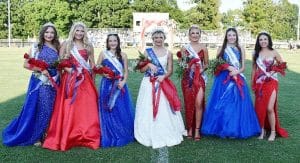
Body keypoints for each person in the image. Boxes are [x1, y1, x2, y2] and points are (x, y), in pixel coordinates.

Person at [42, 22, 100, 151]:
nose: (79, 33)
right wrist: (71, 71)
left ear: (85, 32)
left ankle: (86, 134)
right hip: (70, 79)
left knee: (86, 107)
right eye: (77, 31)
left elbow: (92, 64)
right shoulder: (66, 44)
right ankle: (69, 134)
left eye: (82, 31)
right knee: (70, 106)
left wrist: (93, 80)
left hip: (85, 80)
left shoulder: (88, 45)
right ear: (73, 31)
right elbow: (60, 62)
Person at [2, 23, 60, 146]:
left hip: (54, 82)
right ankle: (37, 137)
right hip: (40, 81)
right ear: (42, 33)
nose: (49, 35)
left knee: (51, 108)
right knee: (40, 107)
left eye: (52, 32)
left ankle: (46, 133)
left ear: (54, 35)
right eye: (47, 32)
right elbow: (26, 64)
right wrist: (41, 70)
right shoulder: (36, 47)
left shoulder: (57, 47)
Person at [201, 28, 260, 139]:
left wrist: (236, 72)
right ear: (226, 37)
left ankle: (233, 128)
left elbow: (243, 67)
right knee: (223, 102)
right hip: (223, 79)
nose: (232, 37)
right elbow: (216, 65)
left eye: (234, 35)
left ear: (236, 36)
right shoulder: (221, 48)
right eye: (229, 35)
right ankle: (221, 127)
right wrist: (227, 67)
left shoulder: (240, 48)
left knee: (236, 102)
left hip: (237, 76)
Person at [134, 29, 186, 149]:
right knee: (147, 106)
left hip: (162, 82)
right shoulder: (147, 52)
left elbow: (170, 70)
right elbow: (141, 69)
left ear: (164, 39)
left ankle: (167, 129)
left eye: (160, 37)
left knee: (165, 106)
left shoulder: (169, 53)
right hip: (148, 83)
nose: (158, 40)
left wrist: (163, 76)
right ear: (152, 39)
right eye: (156, 37)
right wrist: (148, 65)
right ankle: (146, 130)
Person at [95, 33, 134, 147]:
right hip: (106, 84)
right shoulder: (103, 53)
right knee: (107, 107)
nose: (112, 43)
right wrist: (103, 74)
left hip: (119, 84)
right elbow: (97, 67)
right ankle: (108, 131)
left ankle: (121, 130)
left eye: (114, 41)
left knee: (119, 107)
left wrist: (123, 82)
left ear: (118, 42)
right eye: (110, 41)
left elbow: (126, 71)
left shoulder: (123, 55)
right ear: (107, 43)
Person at [251, 32, 288, 141]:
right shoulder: (255, 53)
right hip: (260, 83)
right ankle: (262, 130)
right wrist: (253, 83)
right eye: (261, 39)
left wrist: (273, 71)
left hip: (272, 82)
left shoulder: (274, 52)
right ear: (258, 41)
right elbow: (254, 69)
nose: (263, 41)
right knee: (260, 107)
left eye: (265, 39)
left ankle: (273, 132)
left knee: (269, 108)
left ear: (269, 40)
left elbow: (282, 65)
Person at [178, 25, 208, 140]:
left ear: (200, 35)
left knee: (198, 103)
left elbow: (206, 64)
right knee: (189, 102)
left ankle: (197, 130)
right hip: (187, 79)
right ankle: (189, 128)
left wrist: (201, 69)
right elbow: (181, 63)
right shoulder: (184, 48)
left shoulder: (204, 48)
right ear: (189, 35)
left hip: (199, 78)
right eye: (193, 33)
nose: (195, 35)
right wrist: (186, 66)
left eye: (197, 33)